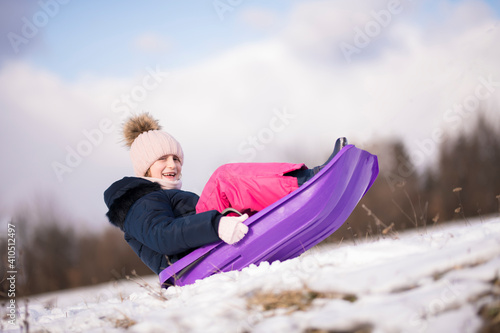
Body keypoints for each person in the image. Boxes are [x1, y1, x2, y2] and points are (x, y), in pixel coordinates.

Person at [104, 113, 345, 275]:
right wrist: (215, 224)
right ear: (144, 167)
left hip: (198, 253)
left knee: (238, 193)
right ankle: (307, 181)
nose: (173, 165)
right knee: (224, 180)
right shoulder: (140, 201)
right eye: (162, 159)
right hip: (189, 263)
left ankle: (288, 203)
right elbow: (162, 236)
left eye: (176, 158)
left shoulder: (161, 196)